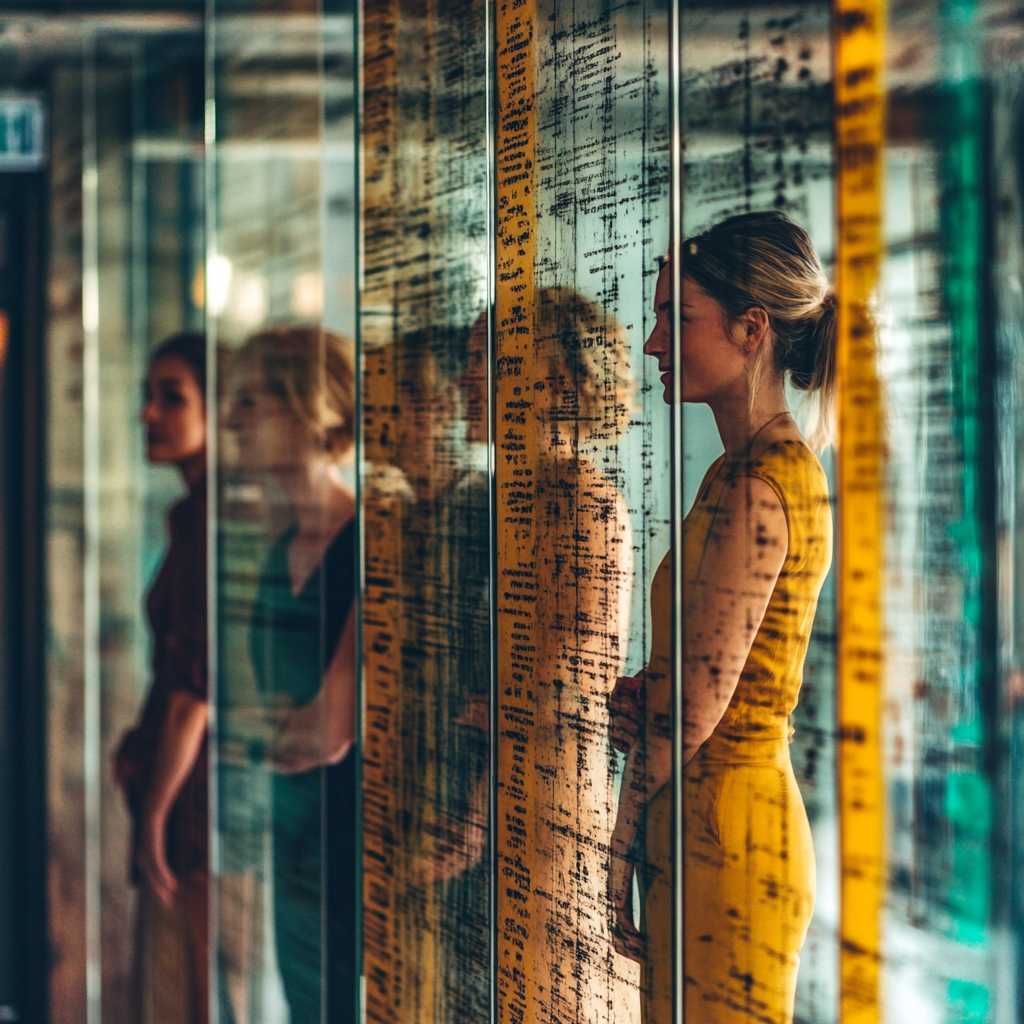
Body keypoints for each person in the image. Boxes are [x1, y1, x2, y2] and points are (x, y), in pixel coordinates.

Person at [608, 210, 835, 1023]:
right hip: (706, 825)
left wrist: (614, 848)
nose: (655, 343)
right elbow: (697, 684)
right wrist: (651, 694)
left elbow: (692, 713)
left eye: (678, 317)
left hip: (729, 840)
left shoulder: (760, 483)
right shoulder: (737, 472)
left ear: (751, 329)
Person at [495, 288, 641, 1021]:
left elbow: (572, 682)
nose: (473, 383)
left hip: (548, 793)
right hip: (510, 780)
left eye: (494, 364)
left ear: (557, 386)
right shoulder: (509, 500)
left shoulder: (584, 503)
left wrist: (477, 704)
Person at [225, 325, 358, 1022]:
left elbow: (323, 733)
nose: (230, 423)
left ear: (311, 410)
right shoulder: (278, 546)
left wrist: (258, 733)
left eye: (250, 403)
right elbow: (249, 711)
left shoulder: (369, 542)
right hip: (293, 838)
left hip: (357, 845)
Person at [112, 332, 212, 1023]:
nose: (149, 413)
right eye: (148, 396)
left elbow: (194, 692)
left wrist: (154, 812)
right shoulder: (191, 516)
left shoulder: (212, 521)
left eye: (171, 397)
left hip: (196, 807)